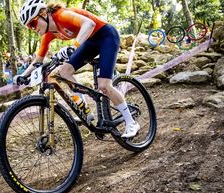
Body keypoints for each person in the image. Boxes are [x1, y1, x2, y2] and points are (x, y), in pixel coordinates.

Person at [14, 0, 140, 138]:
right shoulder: (48, 34)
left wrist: (73, 47)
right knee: (63, 72)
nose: (33, 28)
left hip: (106, 36)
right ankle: (85, 110)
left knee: (104, 85)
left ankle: (131, 122)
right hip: (90, 42)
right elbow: (38, 60)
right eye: (29, 27)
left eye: (33, 23)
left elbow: (89, 24)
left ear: (43, 13)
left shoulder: (61, 15)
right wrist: (24, 75)